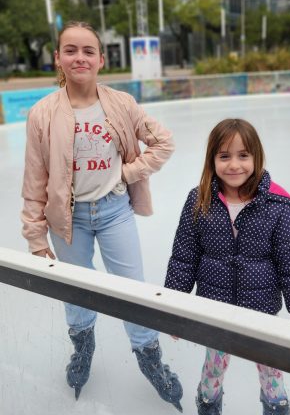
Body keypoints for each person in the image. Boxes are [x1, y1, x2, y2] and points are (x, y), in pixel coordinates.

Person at [21, 21, 183, 412]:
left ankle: (149, 358)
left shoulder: (121, 103)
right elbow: (34, 181)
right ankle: (83, 347)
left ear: (101, 59)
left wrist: (125, 175)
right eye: (71, 50)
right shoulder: (42, 114)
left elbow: (164, 142)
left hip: (114, 213)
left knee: (134, 291)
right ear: (58, 58)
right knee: (77, 293)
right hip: (68, 221)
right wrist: (36, 239)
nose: (80, 57)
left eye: (88, 50)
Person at [165, 118, 290, 415]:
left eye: (243, 155)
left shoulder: (276, 205)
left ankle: (275, 408)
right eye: (224, 156)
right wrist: (173, 307)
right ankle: (208, 404)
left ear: (256, 157)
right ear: (212, 160)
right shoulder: (199, 200)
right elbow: (184, 256)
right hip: (216, 310)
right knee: (213, 369)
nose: (234, 165)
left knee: (272, 371)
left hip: (261, 313)